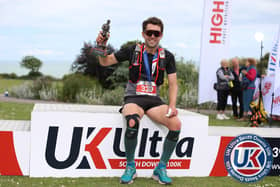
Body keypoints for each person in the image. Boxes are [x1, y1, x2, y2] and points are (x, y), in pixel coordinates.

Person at [95, 17, 181, 185]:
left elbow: (173, 84)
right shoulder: (132, 50)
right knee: (133, 122)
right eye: (149, 33)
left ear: (161, 35)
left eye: (156, 33)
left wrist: (172, 106)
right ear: (143, 34)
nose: (152, 36)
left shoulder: (167, 56)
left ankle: (160, 168)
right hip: (133, 97)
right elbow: (104, 62)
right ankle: (130, 167)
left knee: (176, 124)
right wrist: (101, 46)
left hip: (154, 100)